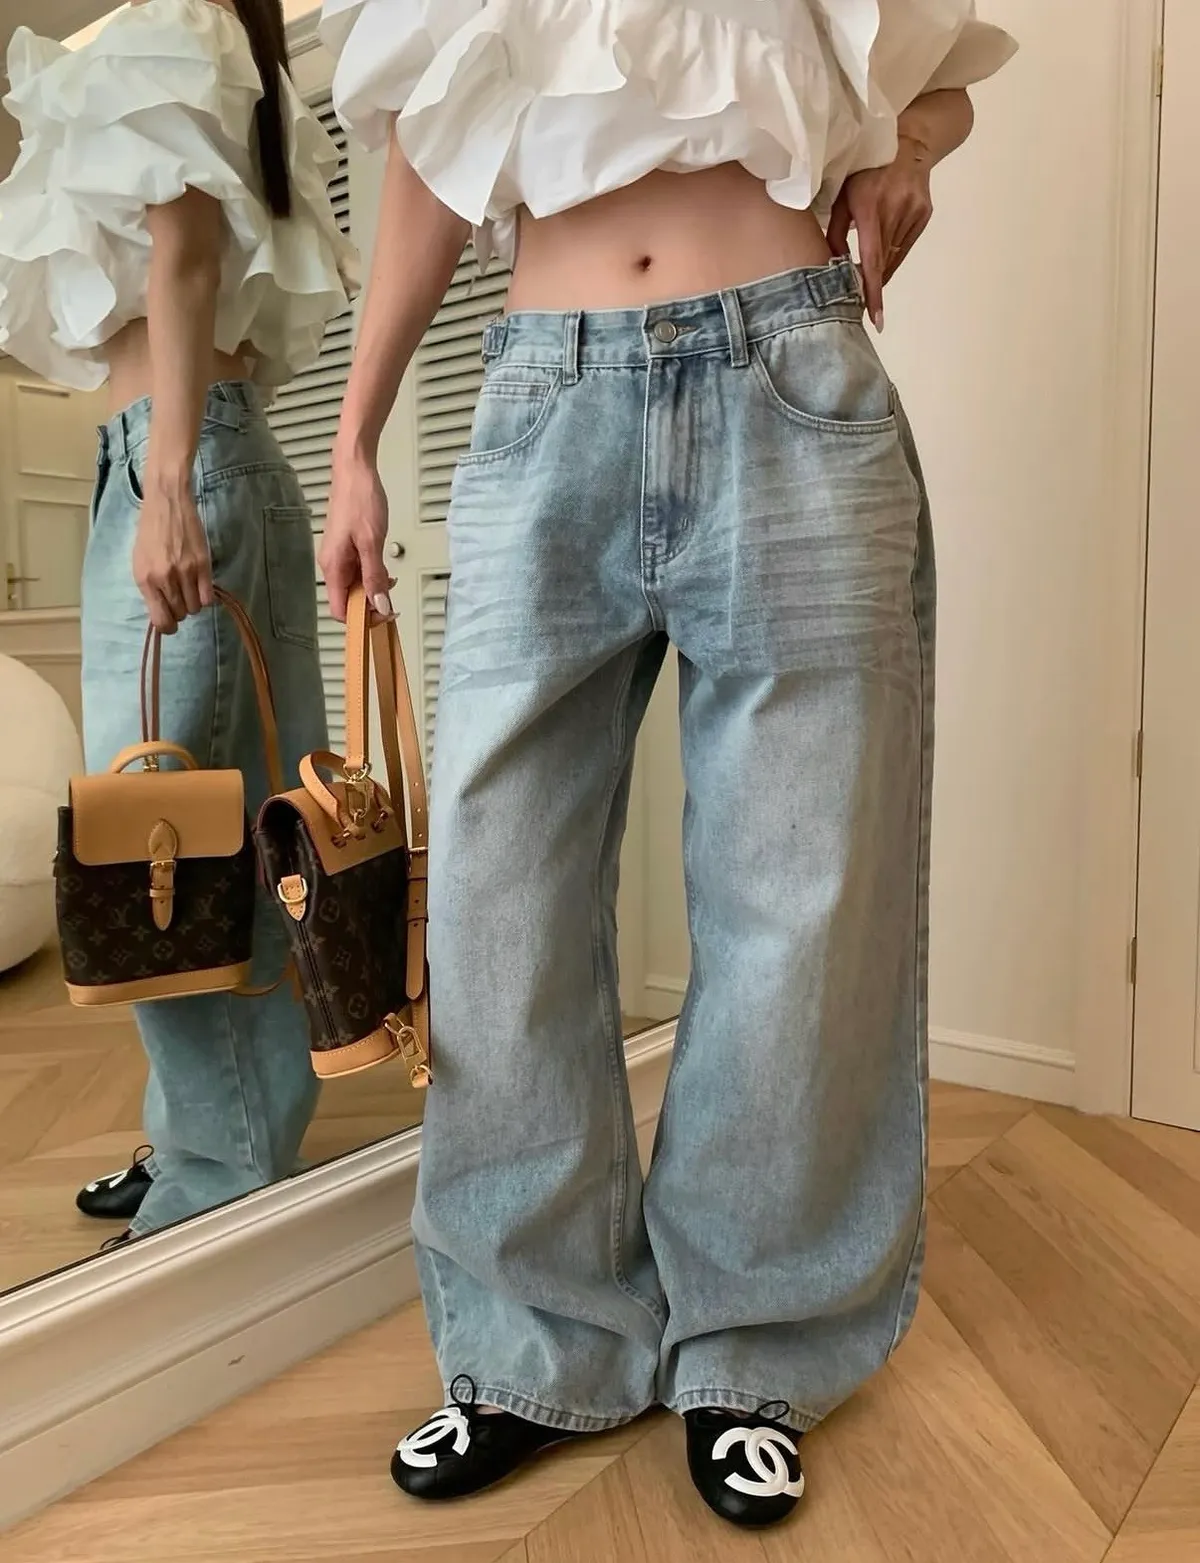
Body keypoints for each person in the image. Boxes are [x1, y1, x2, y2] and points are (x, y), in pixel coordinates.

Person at [319, 0, 1015, 1531]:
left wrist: (907, 147)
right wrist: (355, 437)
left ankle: (752, 1348)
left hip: (790, 370)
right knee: (499, 899)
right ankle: (532, 1345)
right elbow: (428, 158)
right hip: (542, 392)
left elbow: (940, 71)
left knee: (796, 893)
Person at [0, 0, 358, 1243]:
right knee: (179, 829)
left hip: (178, 462)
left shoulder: (181, 23)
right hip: (164, 458)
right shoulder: (190, 39)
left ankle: (228, 1171)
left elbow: (188, 260)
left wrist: (165, 485)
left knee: (183, 836)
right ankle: (204, 1133)